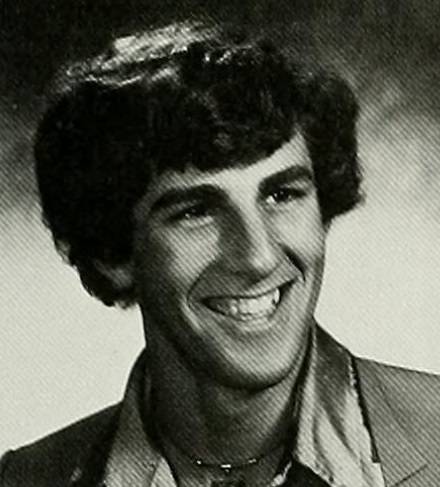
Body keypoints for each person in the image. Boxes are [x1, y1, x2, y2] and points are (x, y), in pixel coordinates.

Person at [1, 20, 440, 487]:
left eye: (282, 195)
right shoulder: (24, 479)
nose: (258, 257)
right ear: (113, 255)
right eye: (197, 212)